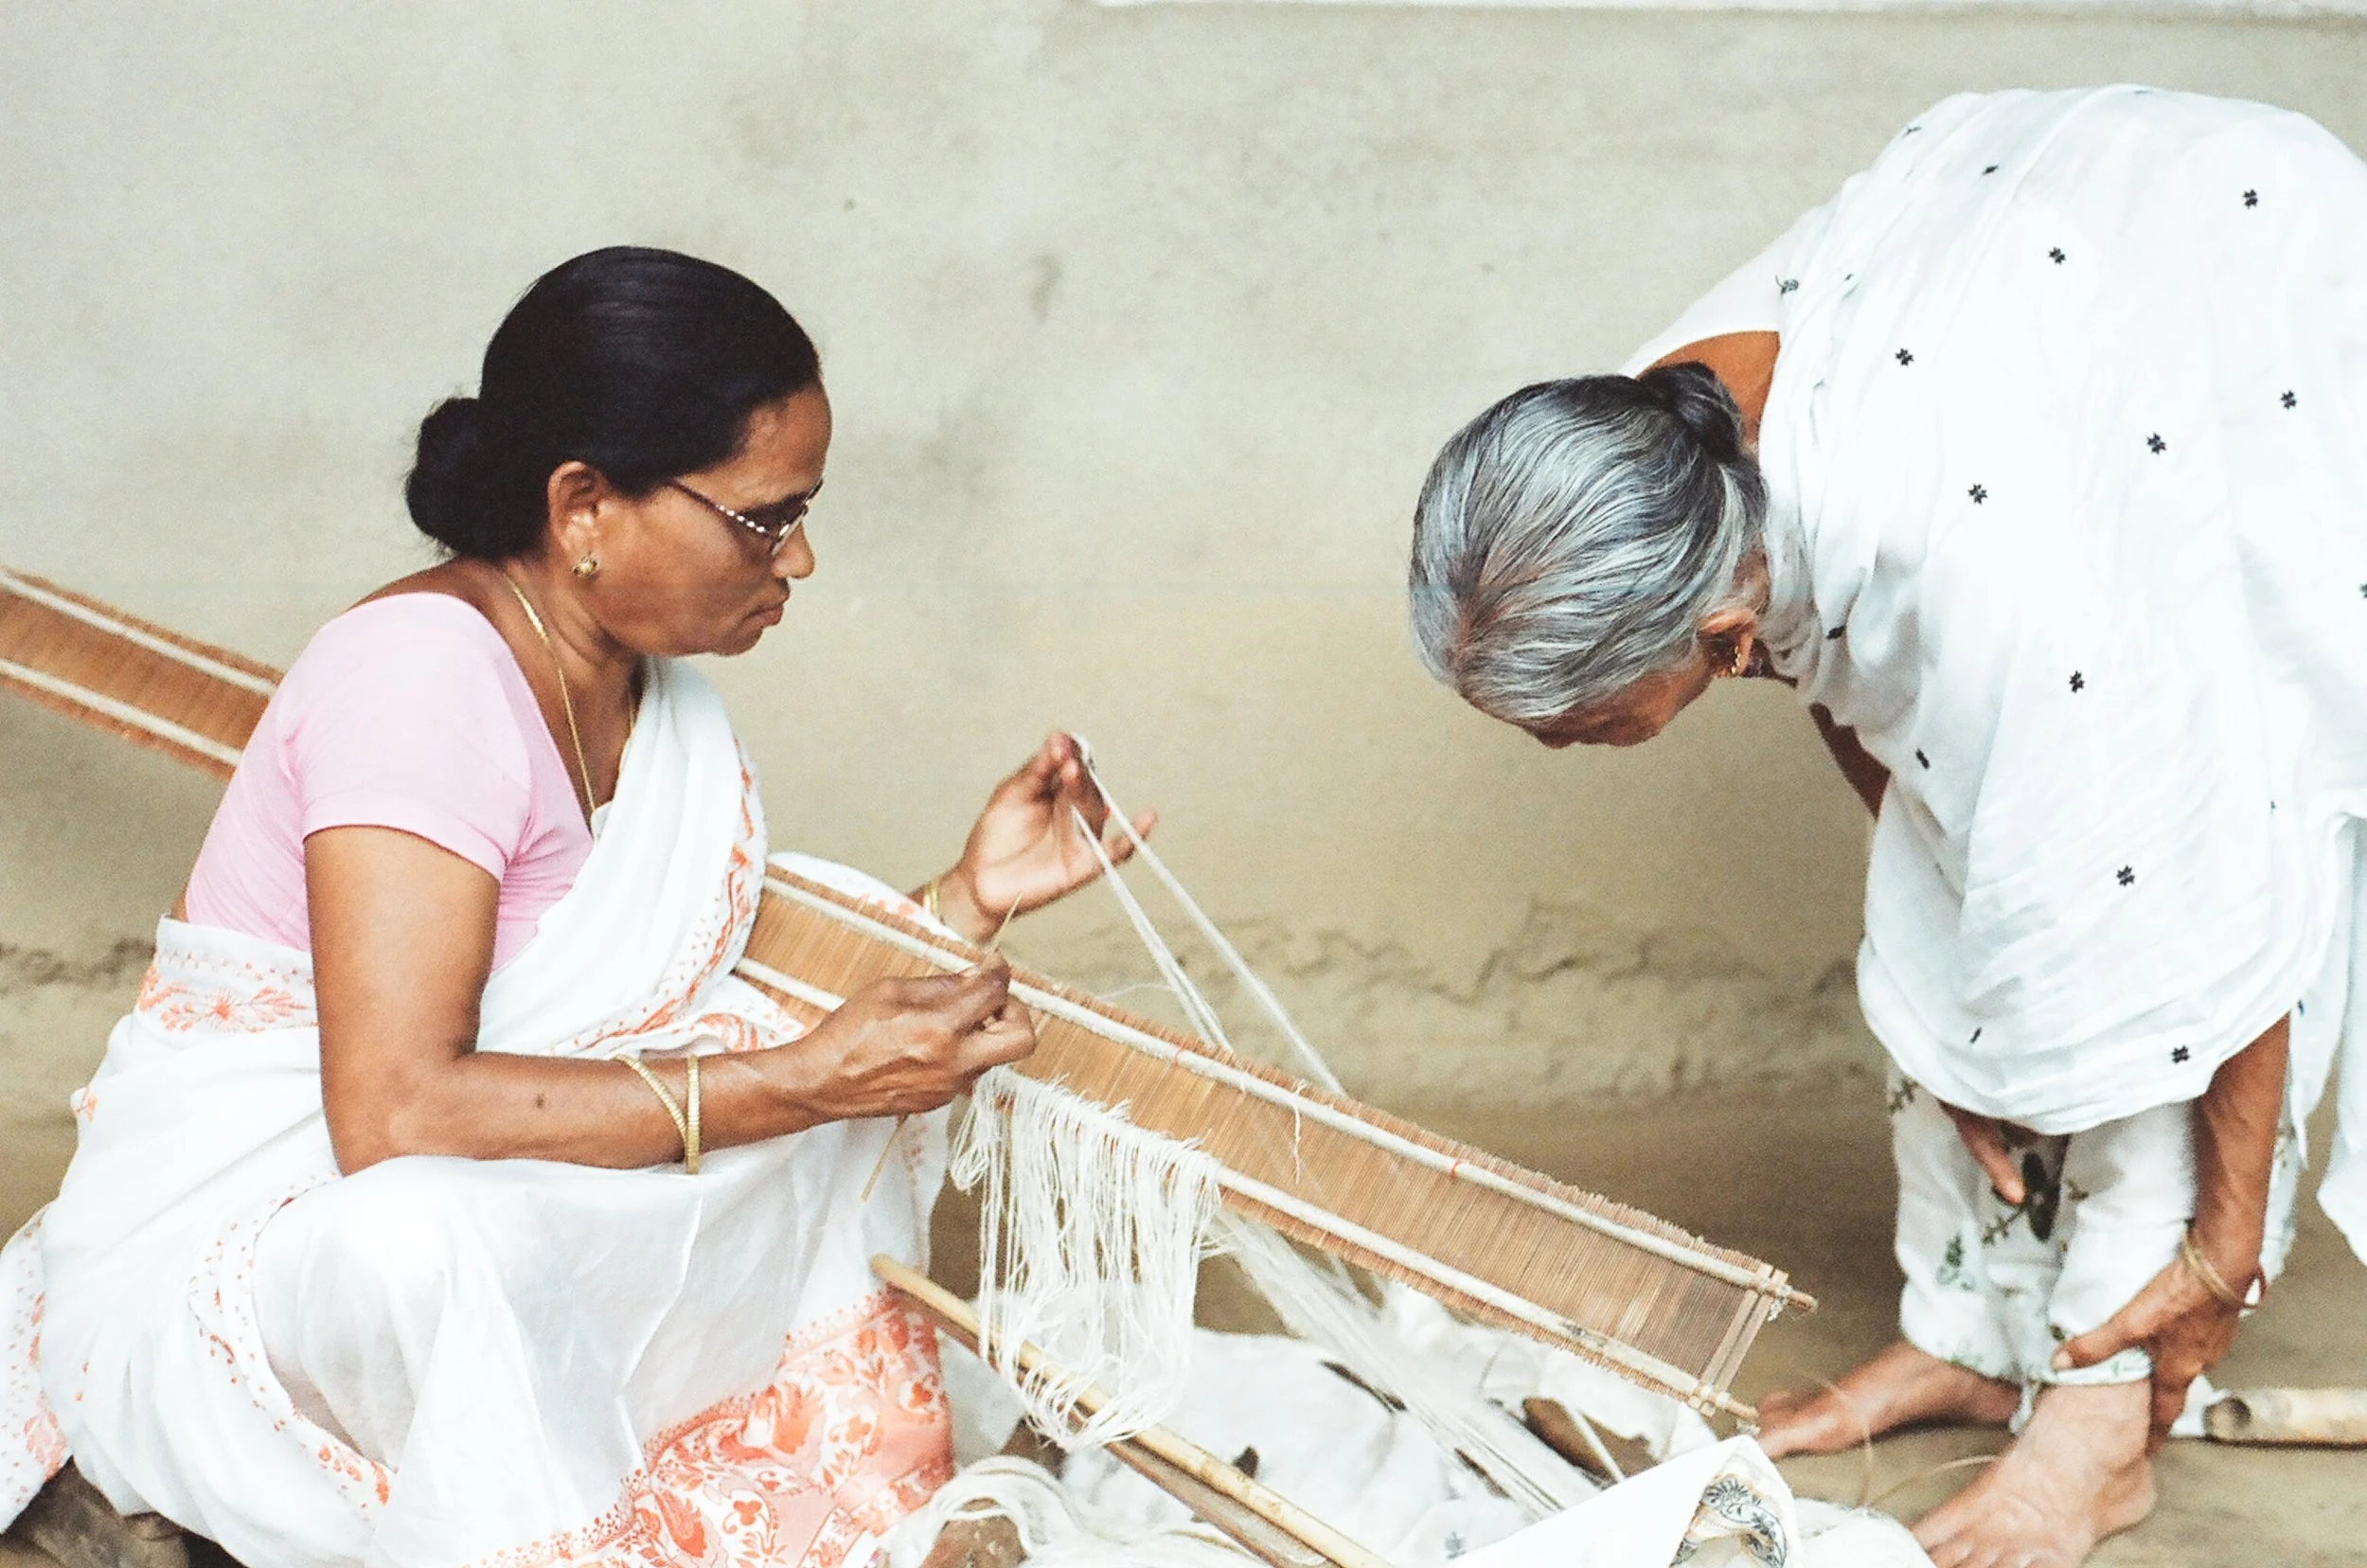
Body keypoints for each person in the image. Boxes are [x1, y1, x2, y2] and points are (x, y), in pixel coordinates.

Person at [0, 245, 1153, 1568]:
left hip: (453, 1193)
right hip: (257, 1252)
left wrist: (962, 901)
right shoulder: (419, 681)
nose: (803, 556)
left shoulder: (651, 697)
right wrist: (802, 1083)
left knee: (759, 1132)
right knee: (429, 1242)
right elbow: (398, 1115)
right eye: (764, 518)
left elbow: (662, 1007)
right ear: (585, 506)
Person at [1405, 86, 2367, 1568]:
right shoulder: (1637, 450)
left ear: (1719, 632)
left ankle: (2101, 1436)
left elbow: (2210, 874)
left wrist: (2226, 1245)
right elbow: (1882, 725)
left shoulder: (2009, 577)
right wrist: (1971, 1013)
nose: (1570, 755)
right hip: (2026, 270)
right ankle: (1974, 1331)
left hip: (2243, 276)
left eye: (1585, 726)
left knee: (2106, 927)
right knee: (1996, 888)